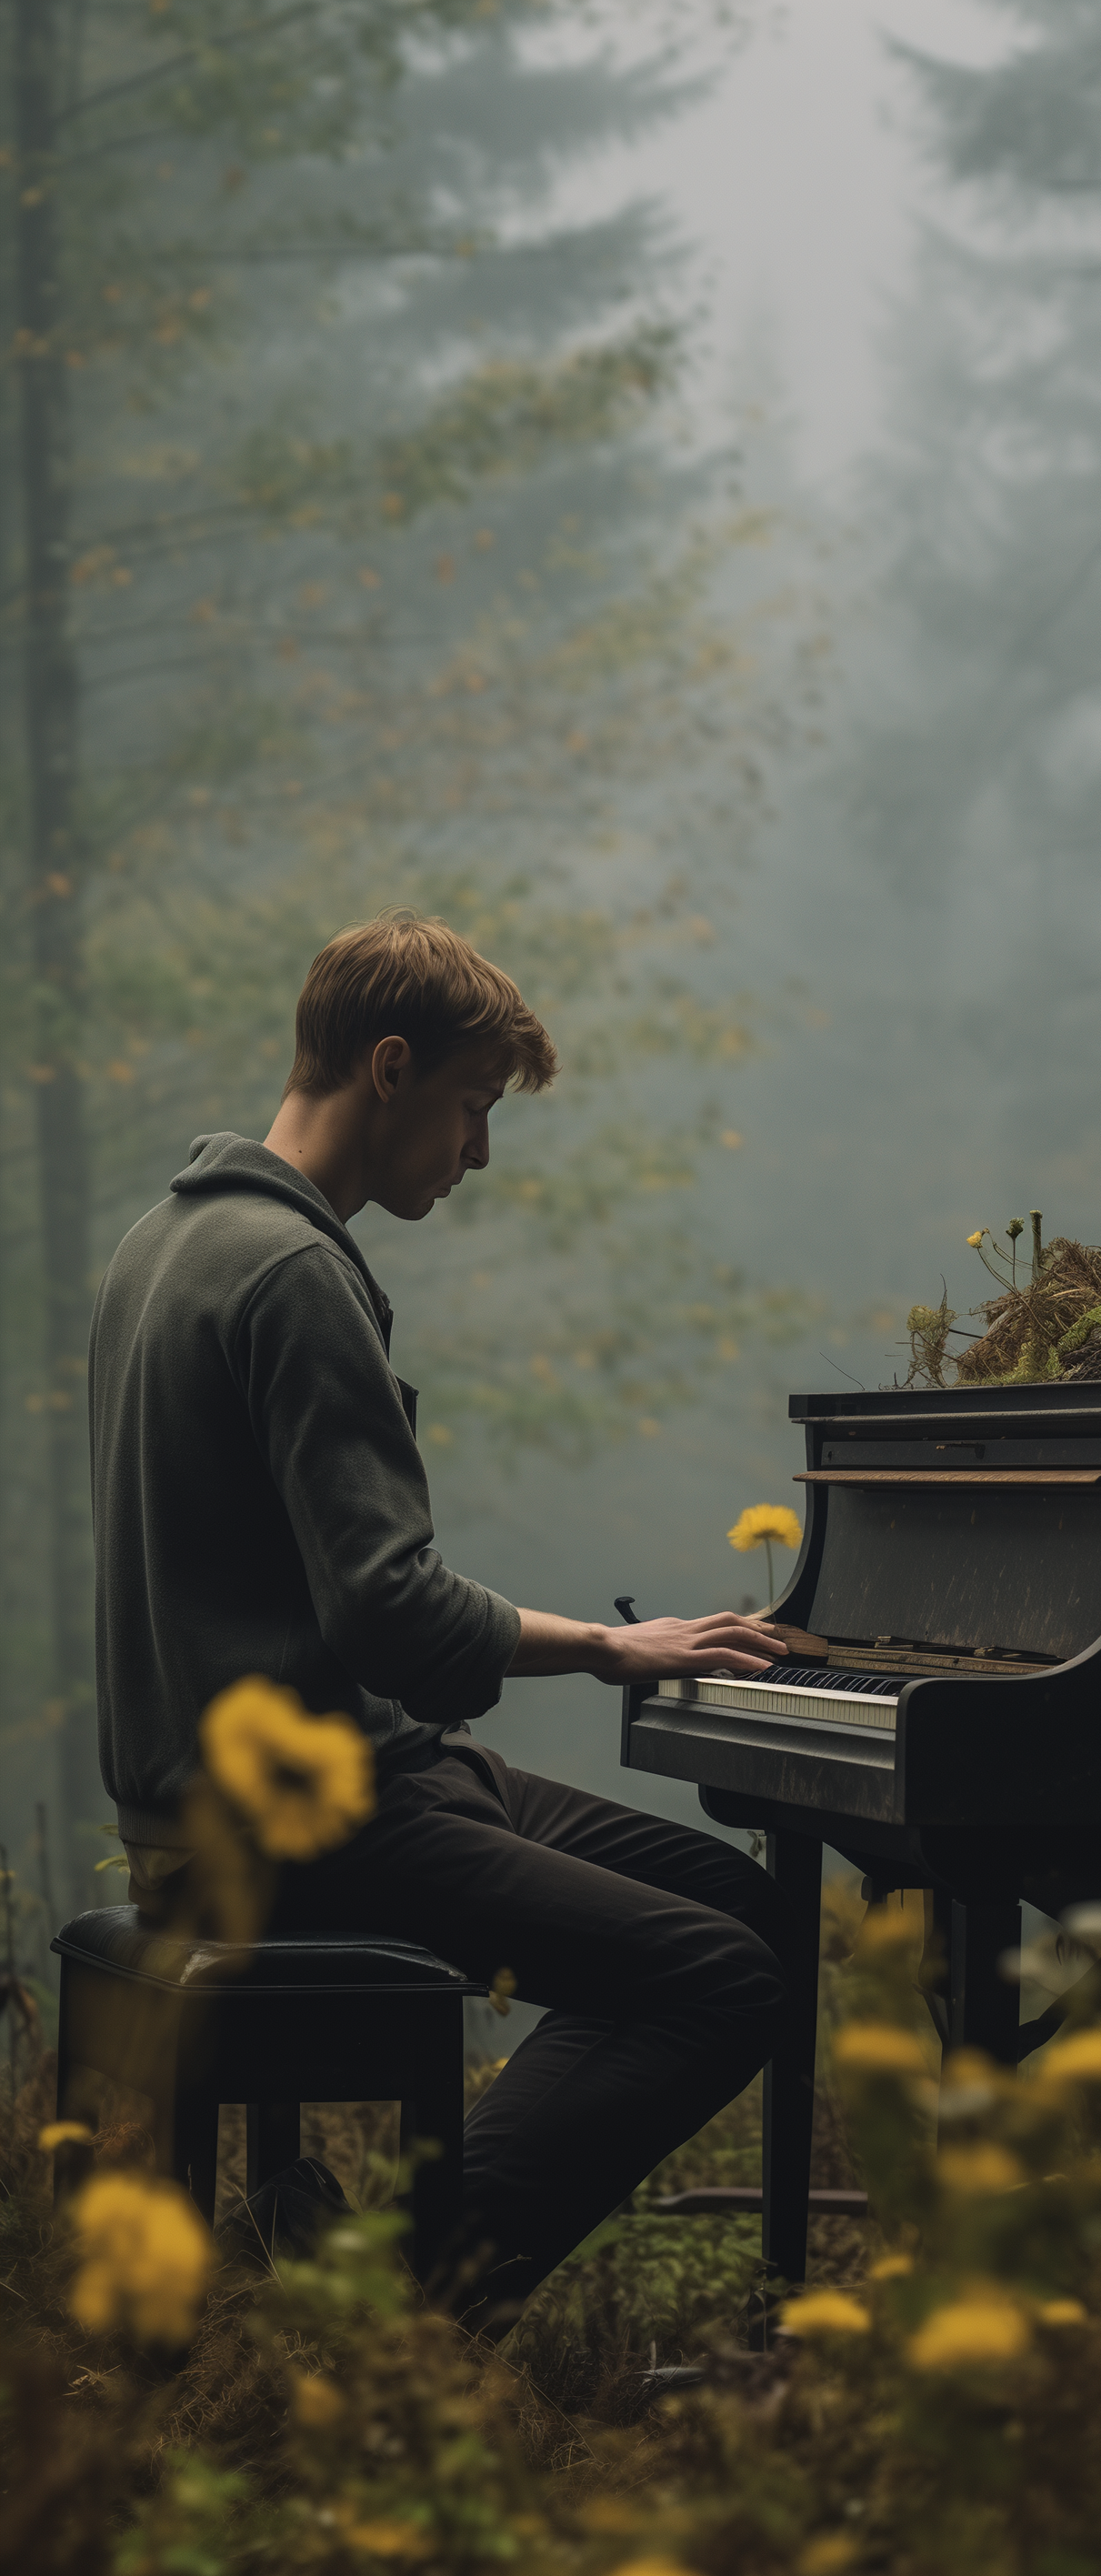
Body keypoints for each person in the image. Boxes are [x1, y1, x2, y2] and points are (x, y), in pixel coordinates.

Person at [89, 909, 792, 2322]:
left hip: (296, 1786)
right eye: (473, 1109)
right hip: (305, 1822)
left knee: (741, 1904)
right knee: (719, 1978)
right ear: (390, 1069)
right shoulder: (294, 1277)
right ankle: (399, 2301)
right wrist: (611, 1646)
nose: (478, 1153)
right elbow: (391, 1615)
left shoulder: (160, 1244)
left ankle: (371, 2245)